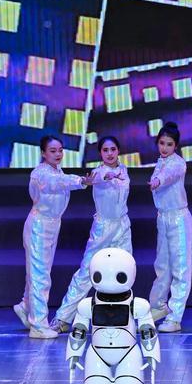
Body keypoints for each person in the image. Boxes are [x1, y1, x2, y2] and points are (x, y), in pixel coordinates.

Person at [14, 135, 90, 339]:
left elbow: (60, 181)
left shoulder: (57, 171)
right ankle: (38, 325)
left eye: (60, 150)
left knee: (40, 272)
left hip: (52, 225)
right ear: (43, 153)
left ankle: (25, 306)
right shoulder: (40, 174)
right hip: (39, 225)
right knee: (40, 275)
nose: (58, 154)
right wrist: (81, 180)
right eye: (53, 151)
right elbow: (57, 183)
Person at [53, 136, 132, 328]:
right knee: (86, 272)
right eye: (105, 150)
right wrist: (107, 176)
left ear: (118, 150)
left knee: (126, 271)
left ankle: (123, 318)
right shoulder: (98, 172)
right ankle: (63, 318)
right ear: (100, 153)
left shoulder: (124, 169)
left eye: (113, 149)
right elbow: (97, 179)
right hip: (103, 229)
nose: (110, 153)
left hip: (123, 226)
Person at [148, 122, 192, 333]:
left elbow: (168, 176)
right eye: (162, 143)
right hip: (163, 218)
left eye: (169, 144)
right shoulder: (160, 162)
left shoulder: (178, 163)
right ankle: (158, 306)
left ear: (176, 146)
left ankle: (175, 317)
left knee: (180, 268)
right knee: (162, 265)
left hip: (178, 219)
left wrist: (157, 181)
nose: (164, 148)